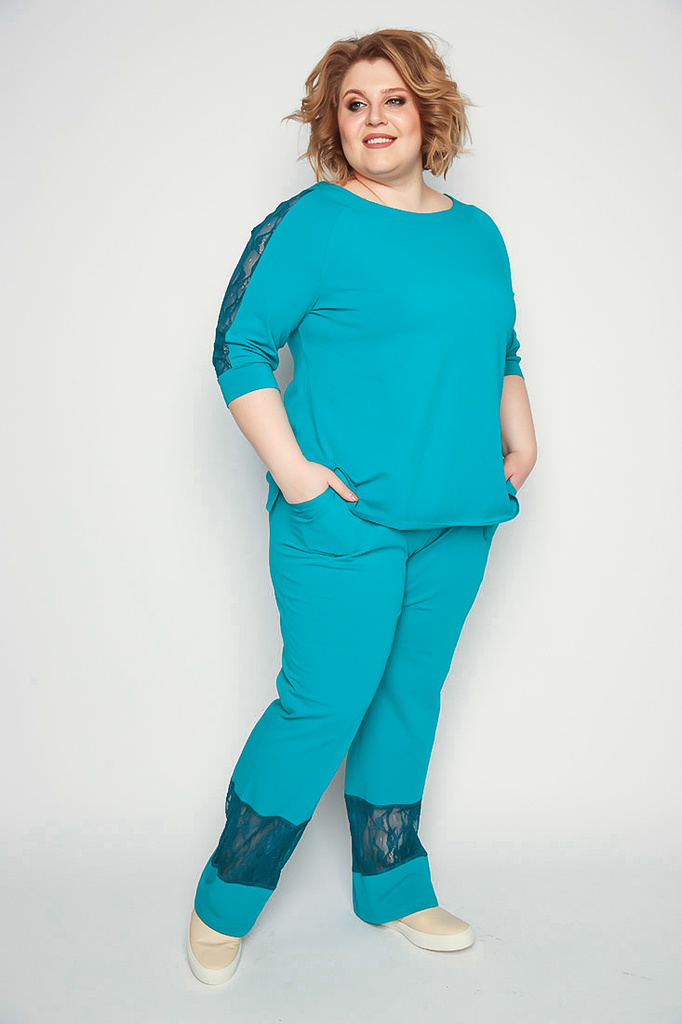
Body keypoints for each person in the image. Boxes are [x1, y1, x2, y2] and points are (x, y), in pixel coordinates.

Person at [186, 27, 538, 985]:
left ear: (428, 110)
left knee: (408, 697)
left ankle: (392, 885)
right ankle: (226, 899)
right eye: (354, 104)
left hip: (460, 516)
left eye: (393, 99)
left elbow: (500, 344)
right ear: (332, 124)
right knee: (324, 704)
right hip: (345, 520)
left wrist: (523, 435)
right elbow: (238, 347)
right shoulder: (313, 224)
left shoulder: (478, 231)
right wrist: (299, 476)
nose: (374, 118)